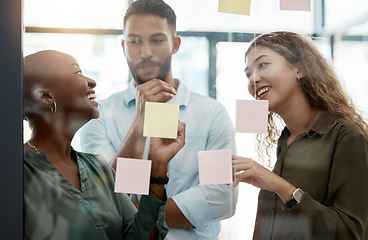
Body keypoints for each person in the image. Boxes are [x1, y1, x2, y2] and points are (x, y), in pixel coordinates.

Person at [80, 0, 238, 239]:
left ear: (175, 44)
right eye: (134, 41)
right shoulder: (98, 114)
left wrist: (133, 213)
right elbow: (103, 196)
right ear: (123, 46)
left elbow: (221, 199)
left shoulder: (211, 113)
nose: (145, 52)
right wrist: (139, 124)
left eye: (157, 40)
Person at [23, 50, 186, 240]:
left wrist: (158, 164)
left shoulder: (98, 167)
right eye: (77, 73)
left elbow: (140, 235)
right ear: (46, 96)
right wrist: (140, 123)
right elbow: (128, 184)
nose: (92, 81)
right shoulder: (18, 174)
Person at [232, 31, 368, 239]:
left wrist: (281, 187)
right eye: (248, 74)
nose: (254, 79)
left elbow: (350, 233)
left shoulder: (347, 136)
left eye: (262, 65)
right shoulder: (286, 139)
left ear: (300, 68)